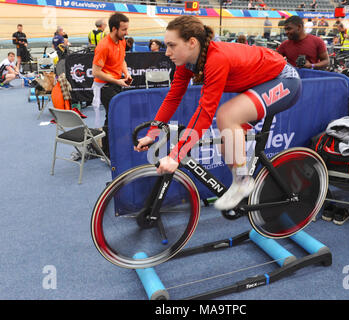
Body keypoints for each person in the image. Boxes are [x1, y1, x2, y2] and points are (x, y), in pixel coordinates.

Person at [134, 16, 302, 211]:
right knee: (226, 142)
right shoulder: (187, 62)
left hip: (285, 80)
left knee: (226, 116)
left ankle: (243, 183)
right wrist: (152, 133)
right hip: (260, 84)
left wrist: (175, 156)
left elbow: (205, 111)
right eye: (166, 45)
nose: (167, 52)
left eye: (172, 45)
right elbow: (173, 97)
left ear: (192, 43)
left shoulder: (216, 58)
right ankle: (243, 183)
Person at [92, 12, 133, 159]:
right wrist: (117, 81)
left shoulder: (121, 41)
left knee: (115, 116)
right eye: (124, 29)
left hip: (116, 83)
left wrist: (126, 74)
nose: (126, 32)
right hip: (104, 86)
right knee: (114, 116)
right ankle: (108, 153)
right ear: (114, 29)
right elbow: (96, 72)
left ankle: (111, 148)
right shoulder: (103, 46)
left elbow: (122, 60)